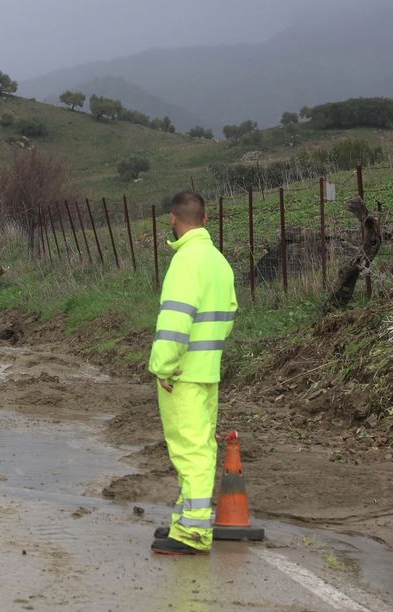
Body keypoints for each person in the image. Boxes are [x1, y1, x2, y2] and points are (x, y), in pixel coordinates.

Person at [148, 191, 238, 556]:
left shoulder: (186, 261)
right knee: (200, 446)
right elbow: (229, 313)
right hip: (207, 368)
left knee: (191, 451)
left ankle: (193, 533)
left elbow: (175, 320)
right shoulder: (218, 261)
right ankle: (185, 522)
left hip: (183, 372)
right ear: (205, 219)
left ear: (173, 219)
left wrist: (163, 365)